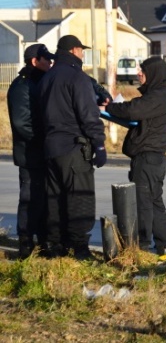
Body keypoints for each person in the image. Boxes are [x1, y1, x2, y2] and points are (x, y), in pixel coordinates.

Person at [37, 35, 107, 260]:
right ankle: (79, 249)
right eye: (82, 50)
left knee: (55, 199)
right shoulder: (77, 77)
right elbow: (88, 115)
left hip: (51, 147)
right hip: (73, 148)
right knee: (80, 198)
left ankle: (55, 247)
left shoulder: (47, 78)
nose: (84, 54)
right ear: (75, 50)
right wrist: (99, 143)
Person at [104, 56, 166, 255]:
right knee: (154, 202)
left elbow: (132, 110)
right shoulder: (158, 94)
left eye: (142, 71)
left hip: (148, 158)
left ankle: (143, 247)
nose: (138, 74)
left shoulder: (158, 96)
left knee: (144, 203)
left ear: (152, 73)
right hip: (153, 158)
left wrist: (108, 108)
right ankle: (163, 245)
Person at [7, 44, 55, 258]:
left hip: (42, 152)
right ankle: (25, 244)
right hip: (30, 153)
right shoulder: (22, 86)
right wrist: (41, 140)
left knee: (43, 199)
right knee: (29, 198)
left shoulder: (39, 82)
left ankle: (43, 242)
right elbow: (21, 122)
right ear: (35, 61)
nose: (50, 62)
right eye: (46, 59)